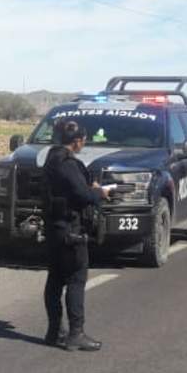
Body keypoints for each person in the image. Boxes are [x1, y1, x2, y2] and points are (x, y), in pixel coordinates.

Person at [42, 119, 116, 351]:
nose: (84, 144)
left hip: (54, 228)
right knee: (76, 279)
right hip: (70, 230)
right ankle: (76, 333)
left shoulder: (51, 159)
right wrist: (100, 193)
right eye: (83, 140)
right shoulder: (68, 164)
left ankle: (54, 331)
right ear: (76, 141)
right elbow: (82, 195)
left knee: (55, 279)